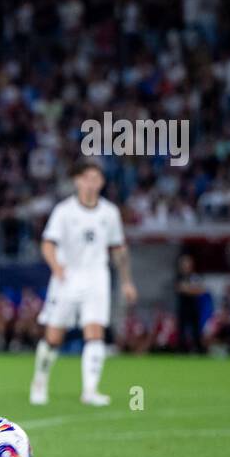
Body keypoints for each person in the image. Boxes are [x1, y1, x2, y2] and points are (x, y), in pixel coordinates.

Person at [29, 160, 137, 406]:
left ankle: (90, 390)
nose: (92, 183)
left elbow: (118, 249)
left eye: (97, 178)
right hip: (67, 276)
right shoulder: (64, 211)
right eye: (87, 177)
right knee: (54, 336)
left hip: (97, 276)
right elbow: (47, 243)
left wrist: (127, 281)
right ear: (77, 180)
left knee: (95, 333)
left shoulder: (109, 213)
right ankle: (40, 380)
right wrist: (56, 266)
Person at [174, 253, 205, 353]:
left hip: (194, 307)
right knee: (182, 330)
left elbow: (200, 290)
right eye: (184, 263)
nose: (186, 265)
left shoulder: (195, 276)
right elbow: (179, 288)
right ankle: (182, 350)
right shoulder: (179, 276)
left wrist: (188, 289)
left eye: (188, 263)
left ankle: (198, 350)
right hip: (183, 307)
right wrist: (191, 289)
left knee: (196, 330)